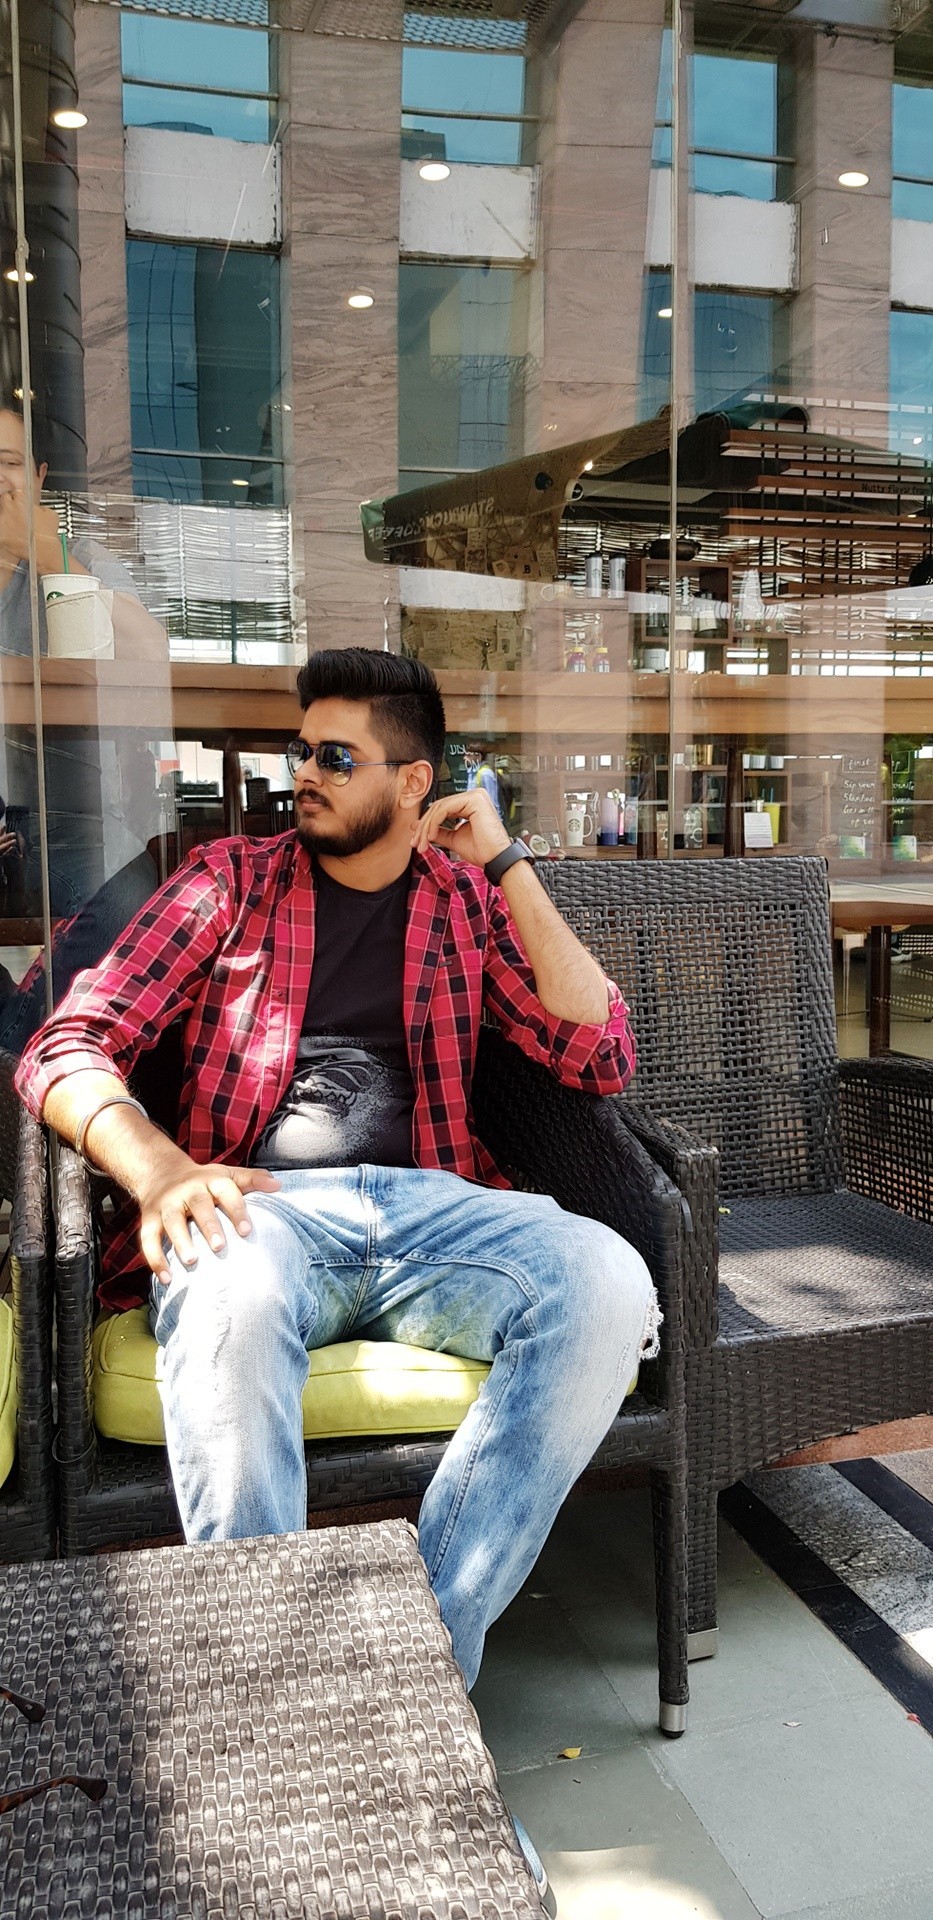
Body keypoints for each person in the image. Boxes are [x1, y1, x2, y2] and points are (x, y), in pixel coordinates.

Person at [17, 648, 657, 1908]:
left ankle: (390, 1693)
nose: (299, 776)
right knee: (233, 1289)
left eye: (333, 756)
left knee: (609, 1280)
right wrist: (160, 1170)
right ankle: (281, 1720)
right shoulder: (226, 884)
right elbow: (68, 1044)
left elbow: (600, 1057)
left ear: (414, 783)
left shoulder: (465, 902)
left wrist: (509, 864)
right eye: (297, 751)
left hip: (433, 1212)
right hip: (260, 1210)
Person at [0, 398, 168, 919]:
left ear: (38, 477)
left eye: (8, 463)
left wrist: (46, 554)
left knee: (126, 901)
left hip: (69, 820)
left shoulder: (83, 560)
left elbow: (150, 654)